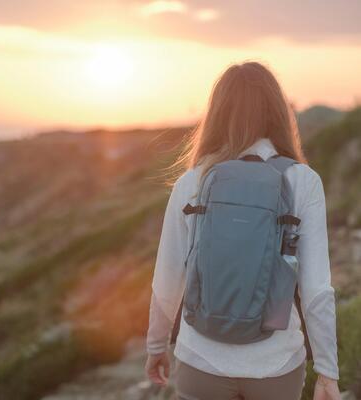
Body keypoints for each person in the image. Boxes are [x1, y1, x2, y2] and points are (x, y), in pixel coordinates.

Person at [145, 61, 341, 400]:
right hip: (276, 365)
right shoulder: (302, 181)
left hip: (200, 362)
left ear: (218, 113)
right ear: (279, 113)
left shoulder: (192, 181)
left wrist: (156, 345)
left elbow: (167, 280)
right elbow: (316, 289)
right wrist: (327, 371)